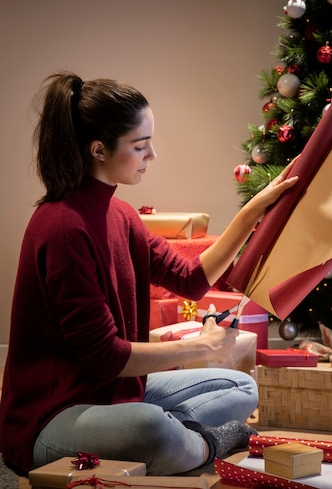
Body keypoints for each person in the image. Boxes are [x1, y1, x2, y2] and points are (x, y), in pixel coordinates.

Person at [0, 72, 298, 477]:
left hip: (114, 396)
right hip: (51, 417)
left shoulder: (121, 215)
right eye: (140, 146)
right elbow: (107, 358)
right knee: (152, 428)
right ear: (99, 150)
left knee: (241, 387)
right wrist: (203, 346)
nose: (152, 154)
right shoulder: (62, 227)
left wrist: (251, 213)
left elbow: (191, 279)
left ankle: (180, 439)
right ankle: (205, 441)